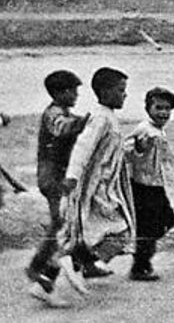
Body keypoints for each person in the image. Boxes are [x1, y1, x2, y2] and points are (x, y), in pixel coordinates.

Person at [55, 67, 136, 296]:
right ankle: (80, 262)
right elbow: (83, 147)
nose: (125, 95)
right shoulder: (100, 117)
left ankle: (80, 267)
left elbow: (113, 148)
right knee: (121, 230)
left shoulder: (108, 116)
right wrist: (72, 176)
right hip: (94, 187)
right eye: (121, 90)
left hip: (104, 186)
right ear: (105, 91)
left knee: (94, 230)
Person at [25, 70, 97, 308]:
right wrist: (85, 121)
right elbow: (63, 128)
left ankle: (37, 267)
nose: (76, 94)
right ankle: (45, 280)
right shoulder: (54, 114)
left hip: (54, 177)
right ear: (58, 93)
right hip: (53, 178)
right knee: (64, 226)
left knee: (59, 224)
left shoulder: (62, 111)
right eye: (71, 91)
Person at [124, 86, 174, 281]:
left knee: (164, 221)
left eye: (167, 109)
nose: (164, 113)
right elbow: (128, 150)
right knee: (150, 227)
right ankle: (140, 266)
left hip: (155, 184)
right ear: (148, 109)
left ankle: (142, 261)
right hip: (143, 186)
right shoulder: (144, 129)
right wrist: (140, 147)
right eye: (159, 108)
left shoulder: (157, 130)